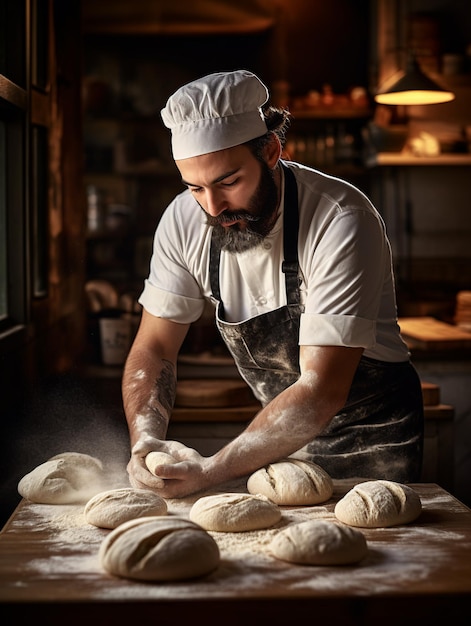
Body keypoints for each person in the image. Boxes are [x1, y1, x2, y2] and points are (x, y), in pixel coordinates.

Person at [122, 69, 424, 498]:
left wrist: (210, 471)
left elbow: (321, 389)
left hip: (374, 451)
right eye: (195, 187)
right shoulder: (184, 220)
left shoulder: (340, 219)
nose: (214, 207)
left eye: (229, 182)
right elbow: (153, 346)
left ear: (271, 151)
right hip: (279, 450)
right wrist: (144, 439)